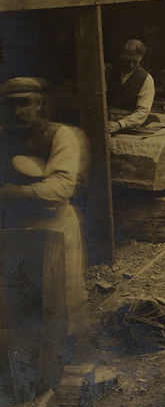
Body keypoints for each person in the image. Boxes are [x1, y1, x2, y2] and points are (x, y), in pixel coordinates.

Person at [0, 77, 87, 326]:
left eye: (24, 103)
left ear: (38, 103)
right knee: (20, 303)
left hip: (55, 225)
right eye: (10, 105)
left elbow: (61, 188)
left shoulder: (61, 135)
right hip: (14, 226)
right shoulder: (2, 136)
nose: (17, 111)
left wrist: (11, 192)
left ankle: (68, 356)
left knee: (62, 298)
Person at [106, 39, 154, 134]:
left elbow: (143, 111)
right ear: (121, 56)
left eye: (135, 61)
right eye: (127, 60)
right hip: (105, 121)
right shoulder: (108, 70)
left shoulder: (146, 79)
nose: (131, 65)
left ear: (141, 58)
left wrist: (120, 124)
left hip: (129, 125)